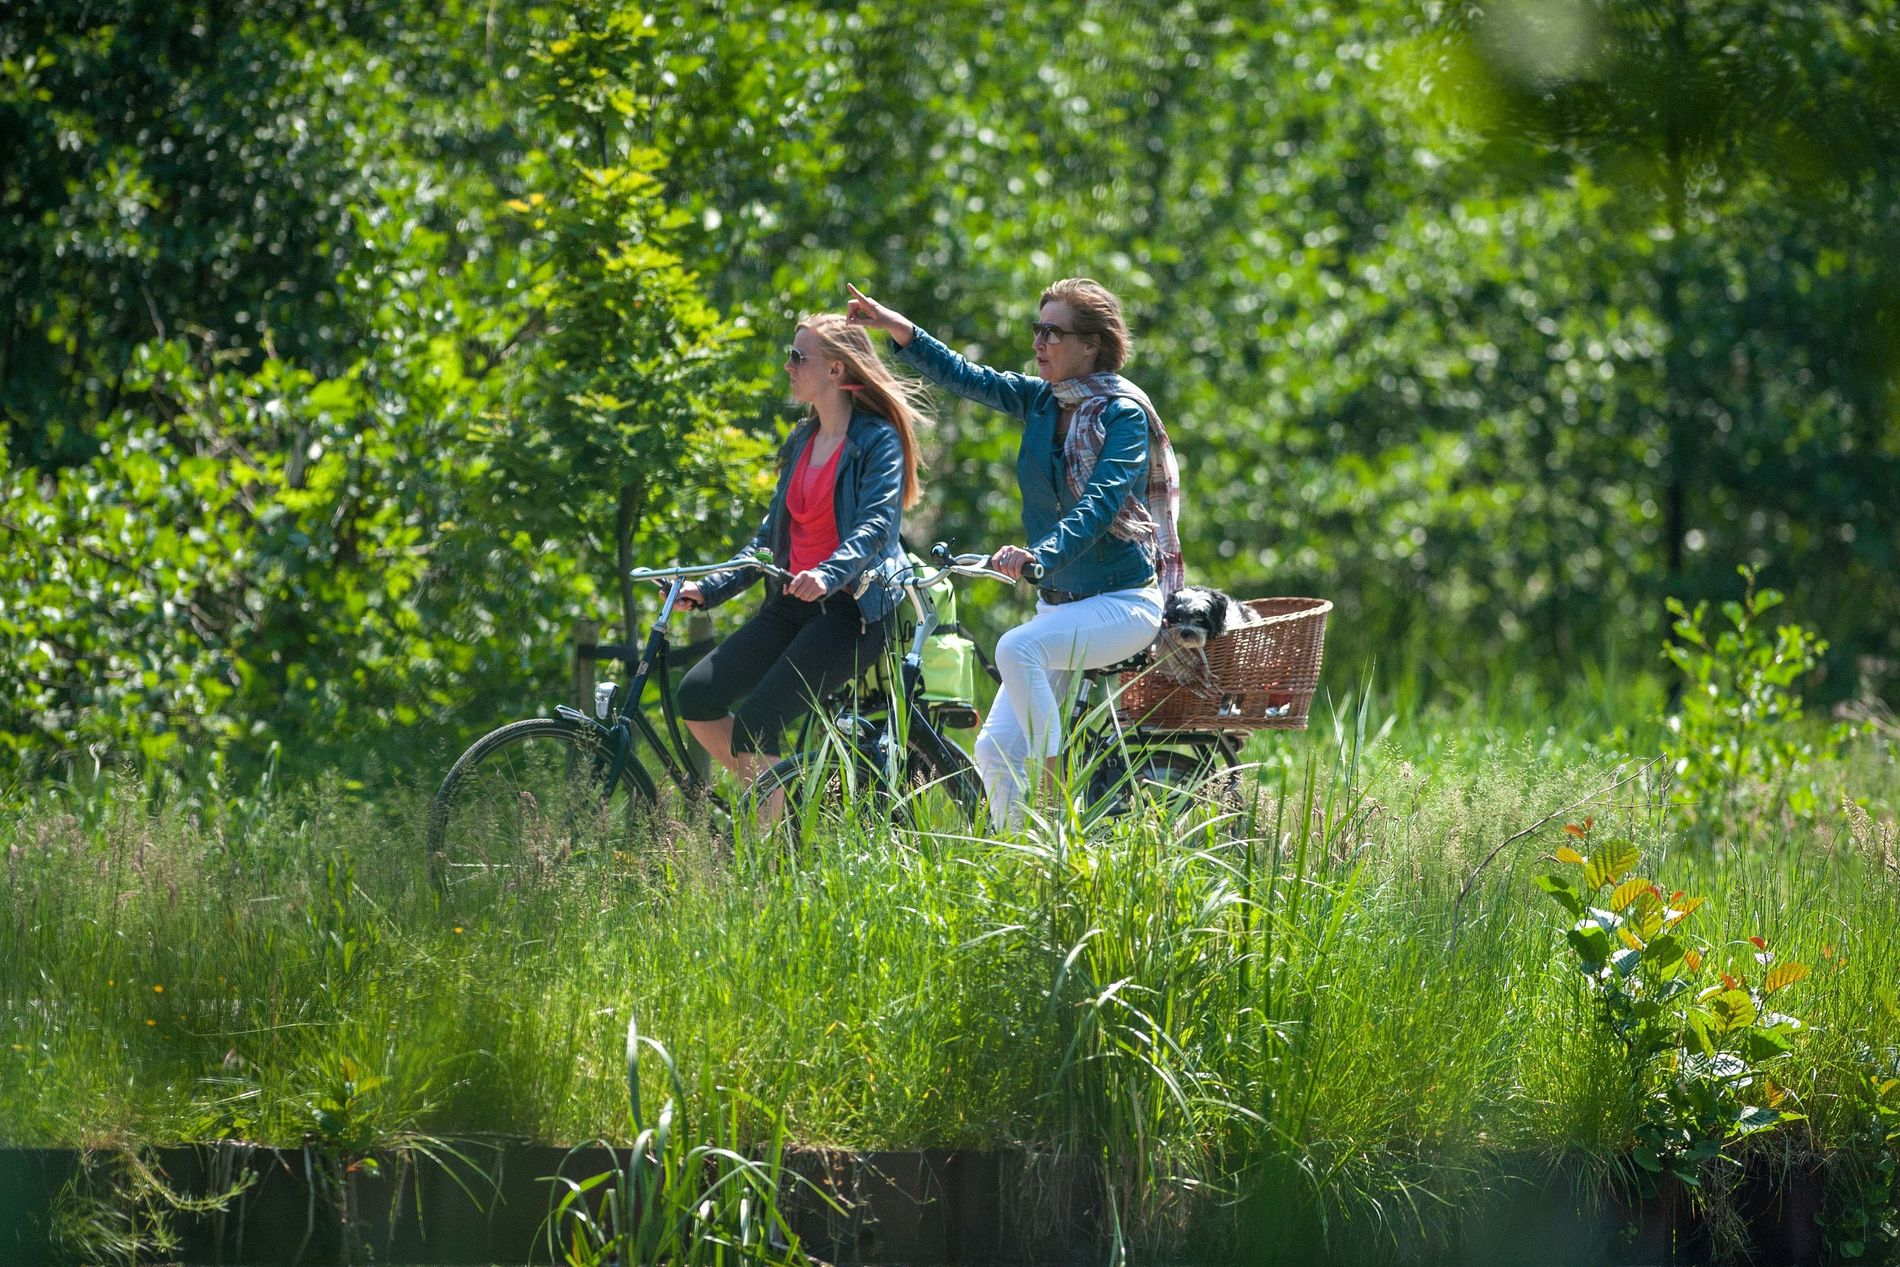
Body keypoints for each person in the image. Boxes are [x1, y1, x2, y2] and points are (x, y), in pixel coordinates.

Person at [845, 278, 1183, 826]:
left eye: (1054, 332)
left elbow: (1100, 503)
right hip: (1060, 607)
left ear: (1091, 344)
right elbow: (965, 376)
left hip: (1123, 603)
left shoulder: (1123, 414)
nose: (1039, 343)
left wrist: (1038, 556)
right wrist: (896, 327)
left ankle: (1054, 788)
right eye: (1037, 329)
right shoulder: (1042, 401)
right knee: (995, 753)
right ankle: (1024, 863)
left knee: (1014, 648)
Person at [675, 313, 926, 806]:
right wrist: (709, 588)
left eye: (798, 357)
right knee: (698, 696)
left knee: (758, 722)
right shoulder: (801, 441)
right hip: (792, 600)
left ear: (835, 370)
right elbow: (769, 542)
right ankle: (792, 803)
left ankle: (770, 858)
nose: (787, 366)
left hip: (852, 610)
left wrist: (827, 574)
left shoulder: (878, 441)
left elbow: (876, 529)